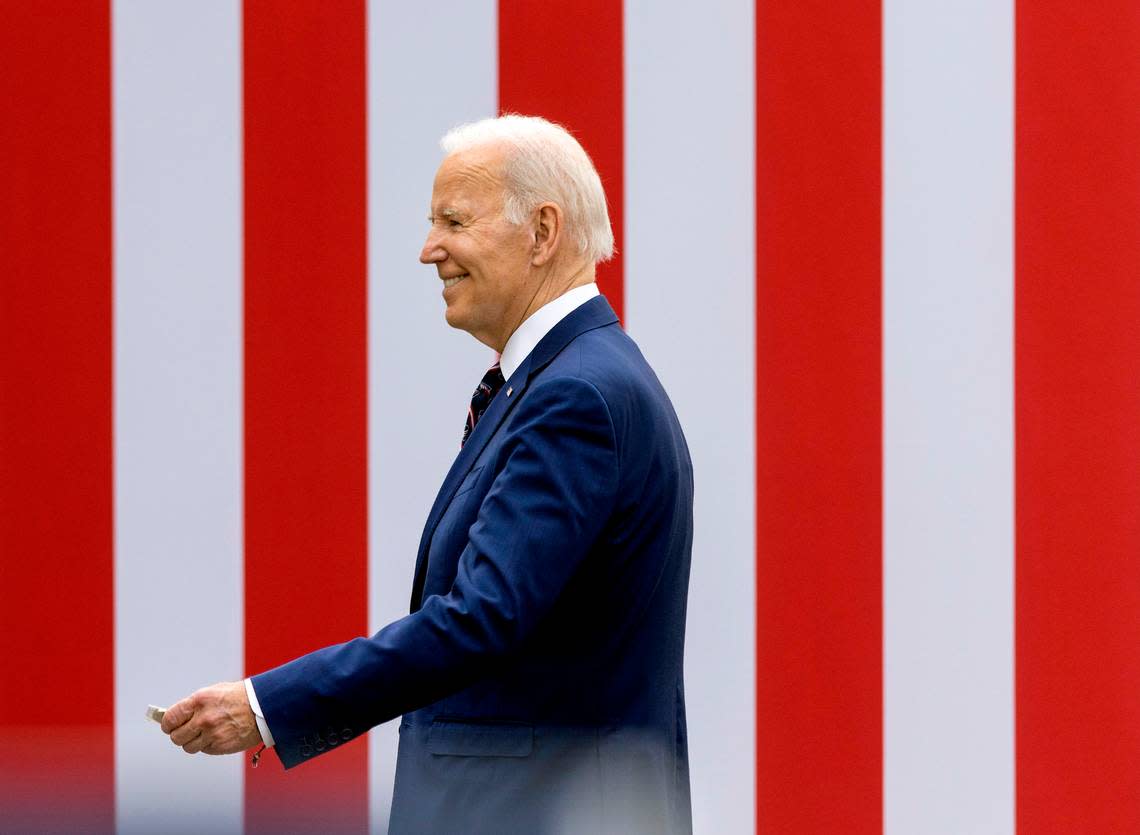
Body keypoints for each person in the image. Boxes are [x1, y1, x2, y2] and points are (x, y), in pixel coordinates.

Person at [161, 114, 694, 834]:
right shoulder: (571, 381)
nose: (428, 249)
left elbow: (478, 619)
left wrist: (266, 706)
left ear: (543, 232)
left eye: (453, 220)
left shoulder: (577, 398)